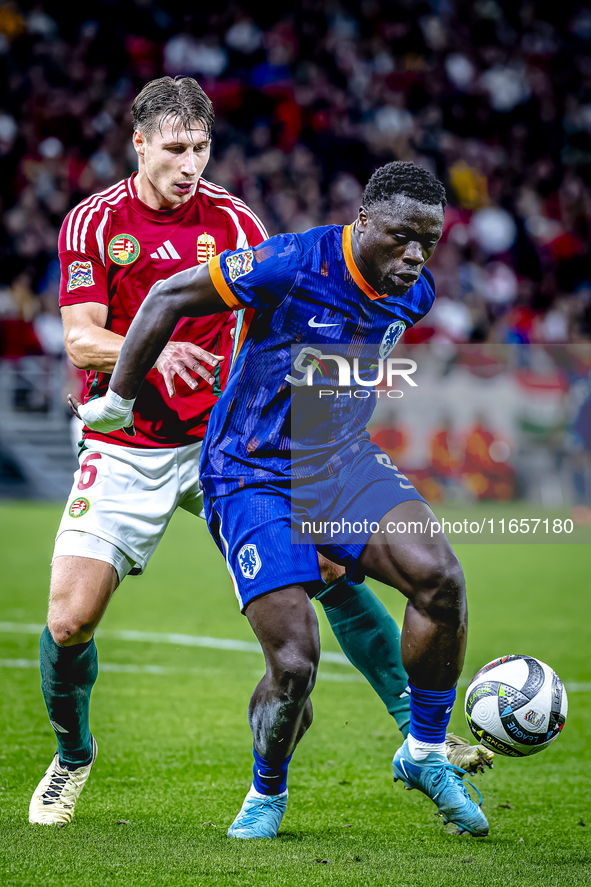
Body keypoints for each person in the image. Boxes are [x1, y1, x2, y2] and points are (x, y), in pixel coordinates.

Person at [30, 77, 490, 827]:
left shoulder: (238, 221)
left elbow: (294, 318)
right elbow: (82, 337)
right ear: (139, 144)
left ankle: (422, 736)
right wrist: (145, 362)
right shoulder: (92, 223)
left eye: (202, 148)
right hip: (129, 444)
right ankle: (71, 758)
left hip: (229, 433)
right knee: (70, 619)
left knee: (342, 580)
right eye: (175, 149)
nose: (190, 164)